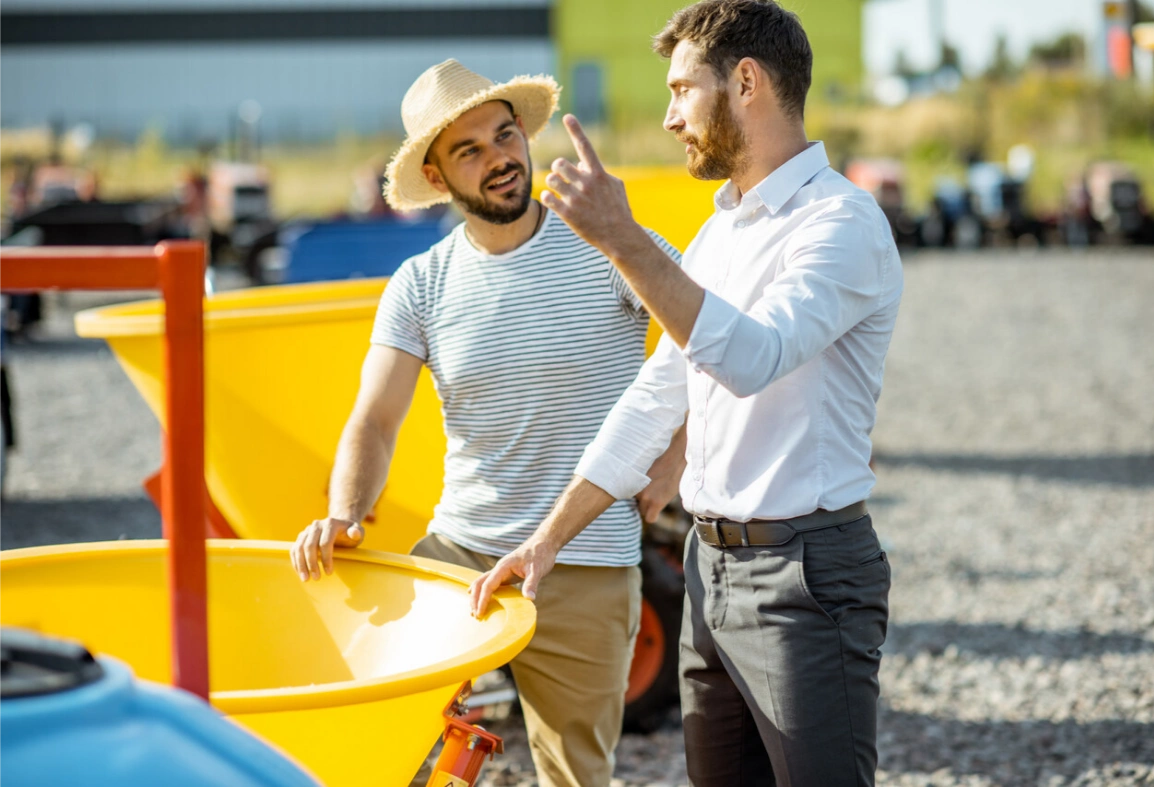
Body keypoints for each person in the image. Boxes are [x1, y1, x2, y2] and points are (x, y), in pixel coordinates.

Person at [471, 2, 904, 785]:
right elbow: (654, 397)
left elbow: (753, 356)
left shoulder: (840, 224)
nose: (670, 118)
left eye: (681, 90)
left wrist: (623, 239)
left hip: (805, 577)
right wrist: (548, 539)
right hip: (711, 572)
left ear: (746, 82)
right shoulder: (721, 232)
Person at [288, 59, 684, 787]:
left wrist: (678, 451)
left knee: (577, 776)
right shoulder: (421, 284)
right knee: (384, 746)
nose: (499, 157)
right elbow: (374, 420)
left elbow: (709, 336)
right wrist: (345, 512)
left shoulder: (609, 244)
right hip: (460, 557)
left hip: (588, 564)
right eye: (469, 150)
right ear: (437, 179)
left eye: (505, 136)